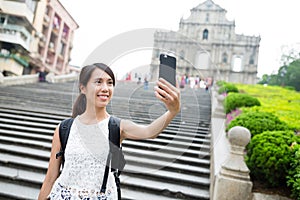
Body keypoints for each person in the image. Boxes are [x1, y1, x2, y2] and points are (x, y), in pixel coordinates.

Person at [38, 63, 180, 200]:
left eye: (110, 83)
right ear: (83, 88)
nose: (105, 88)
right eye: (98, 82)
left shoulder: (116, 127)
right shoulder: (64, 128)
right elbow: (50, 178)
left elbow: (149, 131)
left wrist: (172, 111)